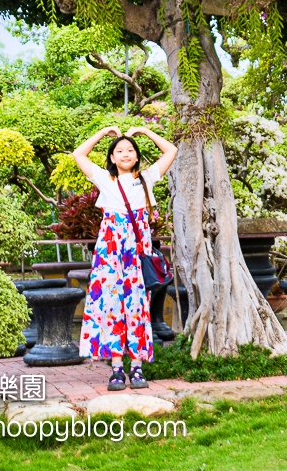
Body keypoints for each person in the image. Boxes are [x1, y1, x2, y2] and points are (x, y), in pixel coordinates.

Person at [73, 123, 177, 390]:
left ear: (137, 156)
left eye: (130, 150)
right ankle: (117, 368)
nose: (125, 153)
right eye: (119, 150)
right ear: (112, 157)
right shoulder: (105, 179)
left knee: (137, 305)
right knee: (110, 304)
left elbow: (171, 150)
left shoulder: (146, 178)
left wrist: (143, 131)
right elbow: (79, 155)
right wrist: (104, 132)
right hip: (109, 252)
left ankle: (138, 368)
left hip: (136, 251)